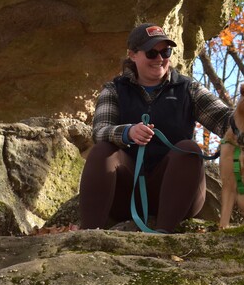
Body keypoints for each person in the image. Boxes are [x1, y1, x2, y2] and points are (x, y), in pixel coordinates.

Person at [79, 23, 233, 232]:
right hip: (126, 195)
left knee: (189, 148)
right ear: (132, 55)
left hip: (179, 196)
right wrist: (127, 132)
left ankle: (163, 235)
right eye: (151, 53)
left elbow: (225, 120)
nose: (160, 58)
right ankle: (87, 235)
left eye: (166, 51)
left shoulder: (188, 88)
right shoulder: (114, 89)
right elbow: (99, 131)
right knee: (102, 151)